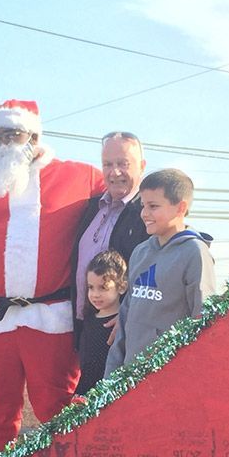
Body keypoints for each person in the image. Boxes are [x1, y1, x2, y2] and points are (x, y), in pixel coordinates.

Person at [0, 100, 104, 457]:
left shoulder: (82, 177)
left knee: (60, 411)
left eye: (11, 135)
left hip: (51, 320)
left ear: (34, 135)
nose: (2, 145)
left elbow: (126, 198)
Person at [105, 168, 216, 374]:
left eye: (153, 206)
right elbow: (125, 316)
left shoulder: (195, 252)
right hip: (128, 378)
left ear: (180, 208)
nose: (144, 213)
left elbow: (203, 319)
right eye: (143, 205)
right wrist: (110, 377)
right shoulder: (140, 252)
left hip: (170, 378)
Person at [71, 132, 147, 347]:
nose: (115, 172)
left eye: (123, 163)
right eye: (107, 164)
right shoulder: (90, 208)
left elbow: (160, 271)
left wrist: (130, 314)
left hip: (123, 333)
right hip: (86, 327)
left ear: (142, 166)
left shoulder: (148, 214)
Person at [76, 250, 128, 395]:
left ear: (122, 287)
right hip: (86, 393)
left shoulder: (123, 322)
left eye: (103, 288)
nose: (95, 294)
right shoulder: (89, 320)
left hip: (111, 393)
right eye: (91, 287)